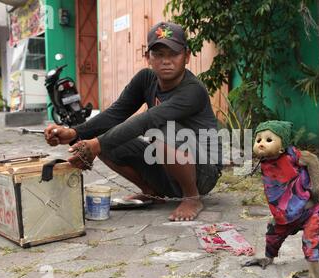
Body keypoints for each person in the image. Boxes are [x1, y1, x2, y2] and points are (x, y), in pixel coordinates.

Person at [44, 22, 222, 221]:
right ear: (148, 57)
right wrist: (74, 133)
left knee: (161, 128)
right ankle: (152, 192)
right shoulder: (146, 79)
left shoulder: (193, 90)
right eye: (159, 54)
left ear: (187, 56)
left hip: (204, 172)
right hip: (166, 164)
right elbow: (115, 114)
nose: (166, 61)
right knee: (107, 139)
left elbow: (148, 119)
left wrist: (95, 144)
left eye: (173, 54)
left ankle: (192, 197)